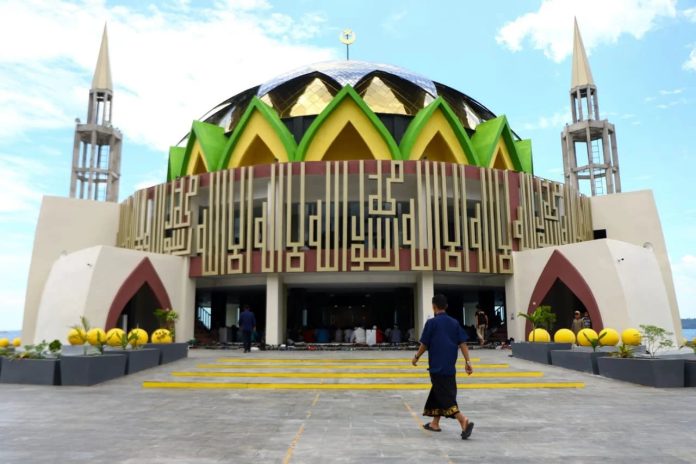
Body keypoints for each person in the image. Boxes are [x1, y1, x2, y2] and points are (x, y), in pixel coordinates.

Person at [413, 294, 475, 440]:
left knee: (444, 396)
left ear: (434, 307)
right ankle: (435, 423)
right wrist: (468, 362)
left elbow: (424, 344)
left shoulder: (431, 323)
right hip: (449, 366)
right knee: (438, 392)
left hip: (436, 366)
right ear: (446, 307)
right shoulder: (454, 323)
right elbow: (463, 343)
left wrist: (416, 357)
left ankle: (463, 420)